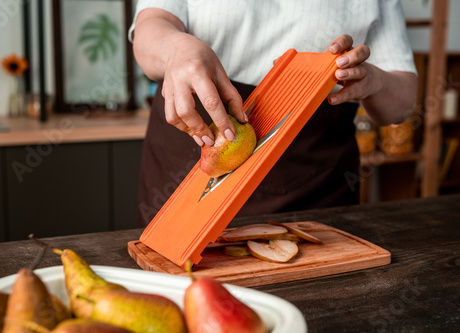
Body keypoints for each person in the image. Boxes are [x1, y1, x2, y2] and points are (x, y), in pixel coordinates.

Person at [129, 1, 418, 226]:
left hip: (315, 180)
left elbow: (403, 102)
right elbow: (151, 25)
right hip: (188, 159)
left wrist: (374, 81)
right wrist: (177, 48)